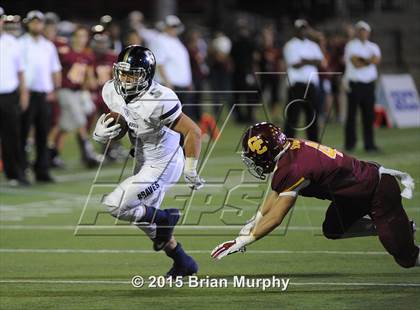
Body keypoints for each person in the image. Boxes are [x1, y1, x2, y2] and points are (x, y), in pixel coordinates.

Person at [211, 122, 419, 269]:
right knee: (333, 228)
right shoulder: (289, 148)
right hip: (352, 194)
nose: (253, 162)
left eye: (254, 156)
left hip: (377, 191)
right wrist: (256, 219)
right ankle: (397, 228)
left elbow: (276, 218)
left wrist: (243, 240)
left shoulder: (293, 167)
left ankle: (396, 230)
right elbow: (277, 191)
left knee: (407, 258)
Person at [93, 45, 204, 277]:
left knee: (116, 205)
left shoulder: (159, 98)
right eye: (122, 72)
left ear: (146, 74)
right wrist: (103, 134)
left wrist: (191, 168)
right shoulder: (112, 90)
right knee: (145, 218)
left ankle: (167, 217)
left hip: (164, 163)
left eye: (132, 73)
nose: (125, 78)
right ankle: (183, 262)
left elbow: (193, 131)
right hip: (142, 157)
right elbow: (126, 121)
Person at [19, 10, 61, 182]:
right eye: (33, 22)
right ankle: (21, 169)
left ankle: (41, 170)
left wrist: (55, 89)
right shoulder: (20, 43)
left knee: (43, 134)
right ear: (28, 23)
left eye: (39, 22)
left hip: (44, 94)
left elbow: (55, 69)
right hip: (27, 93)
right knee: (23, 132)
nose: (37, 25)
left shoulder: (48, 46)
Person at [53, 26, 100, 168]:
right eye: (78, 36)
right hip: (64, 90)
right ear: (73, 37)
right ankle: (88, 152)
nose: (80, 39)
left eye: (83, 36)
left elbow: (90, 78)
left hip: (78, 92)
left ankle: (53, 155)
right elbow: (55, 70)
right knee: (80, 120)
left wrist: (90, 87)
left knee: (65, 125)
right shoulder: (65, 52)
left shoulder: (88, 56)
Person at [0, 7, 30, 186]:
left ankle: (15, 173)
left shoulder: (12, 42)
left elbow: (21, 72)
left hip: (9, 95)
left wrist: (24, 94)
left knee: (12, 136)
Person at [283, 19, 325, 141]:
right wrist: (312, 60)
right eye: (300, 28)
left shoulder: (313, 45)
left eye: (304, 28)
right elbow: (295, 63)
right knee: (292, 117)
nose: (302, 31)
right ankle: (287, 144)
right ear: (295, 30)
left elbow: (320, 61)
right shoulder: (290, 45)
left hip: (310, 85)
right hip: (296, 85)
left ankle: (314, 144)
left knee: (312, 117)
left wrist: (305, 60)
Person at [344, 21, 381, 152]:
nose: (362, 33)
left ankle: (369, 144)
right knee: (352, 115)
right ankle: (350, 144)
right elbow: (356, 63)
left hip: (369, 84)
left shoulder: (373, 46)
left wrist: (364, 60)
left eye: (364, 30)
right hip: (356, 83)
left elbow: (376, 60)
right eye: (360, 30)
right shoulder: (351, 45)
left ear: (368, 32)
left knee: (369, 116)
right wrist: (369, 60)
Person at [149, 15, 193, 118]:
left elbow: (183, 63)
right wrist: (167, 83)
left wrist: (189, 81)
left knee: (183, 117)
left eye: (175, 26)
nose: (174, 28)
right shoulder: (159, 40)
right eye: (171, 26)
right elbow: (159, 63)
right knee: (170, 117)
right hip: (169, 85)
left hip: (182, 85)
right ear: (165, 26)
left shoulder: (176, 41)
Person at [208, 32, 233, 116]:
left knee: (227, 95)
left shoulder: (226, 63)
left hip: (224, 76)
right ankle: (217, 114)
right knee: (216, 95)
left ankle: (233, 113)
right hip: (216, 75)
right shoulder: (213, 59)